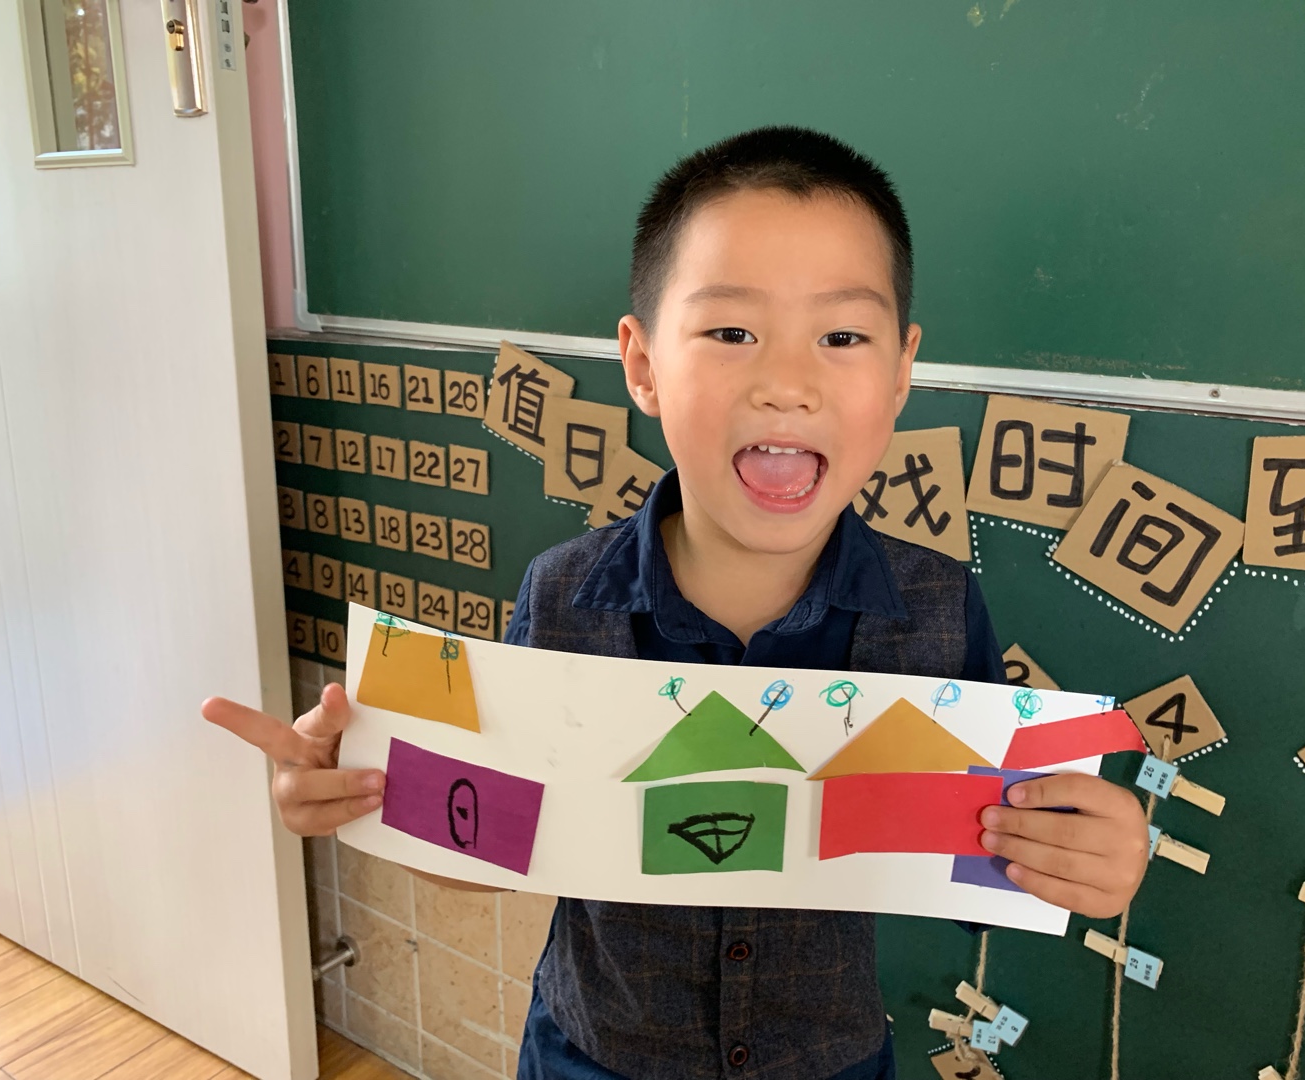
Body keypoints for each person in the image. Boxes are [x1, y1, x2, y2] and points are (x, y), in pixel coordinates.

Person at [204, 126, 1149, 1080]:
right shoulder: (563, 595)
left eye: (842, 336)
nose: (787, 384)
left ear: (901, 369)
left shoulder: (937, 608)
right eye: (732, 332)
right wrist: (367, 789)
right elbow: (493, 841)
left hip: (827, 1061)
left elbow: (983, 855)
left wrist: (1084, 858)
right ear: (644, 364)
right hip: (591, 1055)